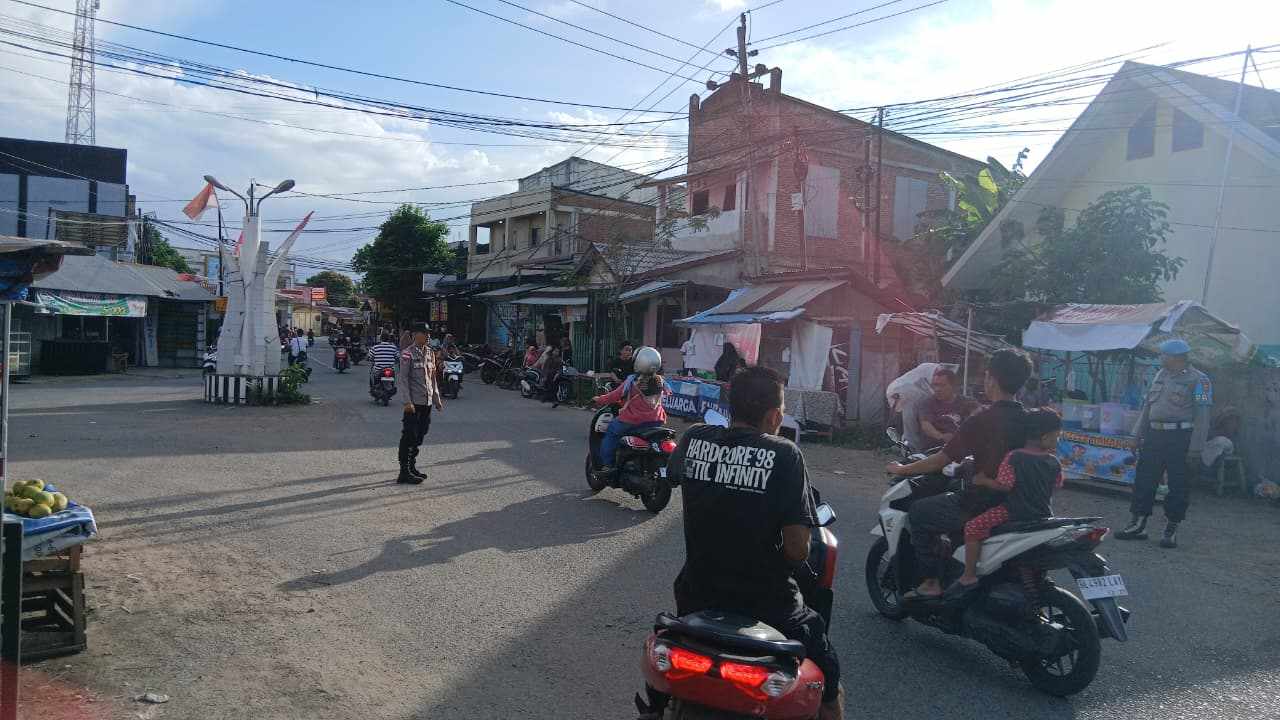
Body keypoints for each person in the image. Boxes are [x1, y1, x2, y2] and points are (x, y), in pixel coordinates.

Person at [667, 366, 843, 720]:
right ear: (775, 415)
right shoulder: (785, 453)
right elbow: (797, 550)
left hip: (696, 596)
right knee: (828, 677)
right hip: (768, 605)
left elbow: (672, 475)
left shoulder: (694, 437)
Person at [886, 348, 1033, 601]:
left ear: (992, 379)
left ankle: (930, 582)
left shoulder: (981, 419)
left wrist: (902, 469)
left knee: (920, 512)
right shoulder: (1031, 419)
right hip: (1022, 502)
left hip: (983, 502)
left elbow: (941, 460)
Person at [951, 409, 1064, 598]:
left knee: (972, 527)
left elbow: (1005, 485)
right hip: (1043, 514)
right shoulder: (1053, 461)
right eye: (1057, 436)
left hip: (1013, 511)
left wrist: (982, 480)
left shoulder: (1014, 457)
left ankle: (968, 575)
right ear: (1044, 437)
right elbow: (1057, 486)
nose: (1057, 441)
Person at [1115, 339, 1212, 549]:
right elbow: (1147, 408)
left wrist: (1196, 448)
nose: (1160, 358)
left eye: (1163, 355)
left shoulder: (1201, 381)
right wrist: (1135, 435)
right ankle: (1138, 524)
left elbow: (1203, 416)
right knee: (1144, 479)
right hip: (1154, 435)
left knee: (1178, 484)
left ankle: (1171, 528)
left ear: (1176, 357)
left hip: (1181, 438)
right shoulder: (1160, 375)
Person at [590, 347, 669, 476]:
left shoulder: (633, 381)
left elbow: (615, 395)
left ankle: (608, 465)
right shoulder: (660, 381)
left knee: (611, 431)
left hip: (633, 421)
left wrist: (599, 399)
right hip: (656, 421)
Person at [398, 325, 444, 484]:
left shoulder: (430, 353)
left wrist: (437, 399)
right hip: (413, 403)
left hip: (427, 402)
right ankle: (404, 471)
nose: (428, 335)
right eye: (424, 333)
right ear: (415, 334)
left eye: (428, 333)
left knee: (420, 435)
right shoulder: (407, 354)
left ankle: (412, 467)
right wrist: (407, 401)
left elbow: (432, 378)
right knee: (409, 436)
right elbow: (403, 379)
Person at [919, 368, 978, 446]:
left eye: (942, 385)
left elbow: (978, 418)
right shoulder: (928, 403)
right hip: (935, 448)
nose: (937, 389)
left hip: (962, 446)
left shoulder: (967, 402)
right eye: (935, 385)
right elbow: (926, 425)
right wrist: (941, 436)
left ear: (953, 386)